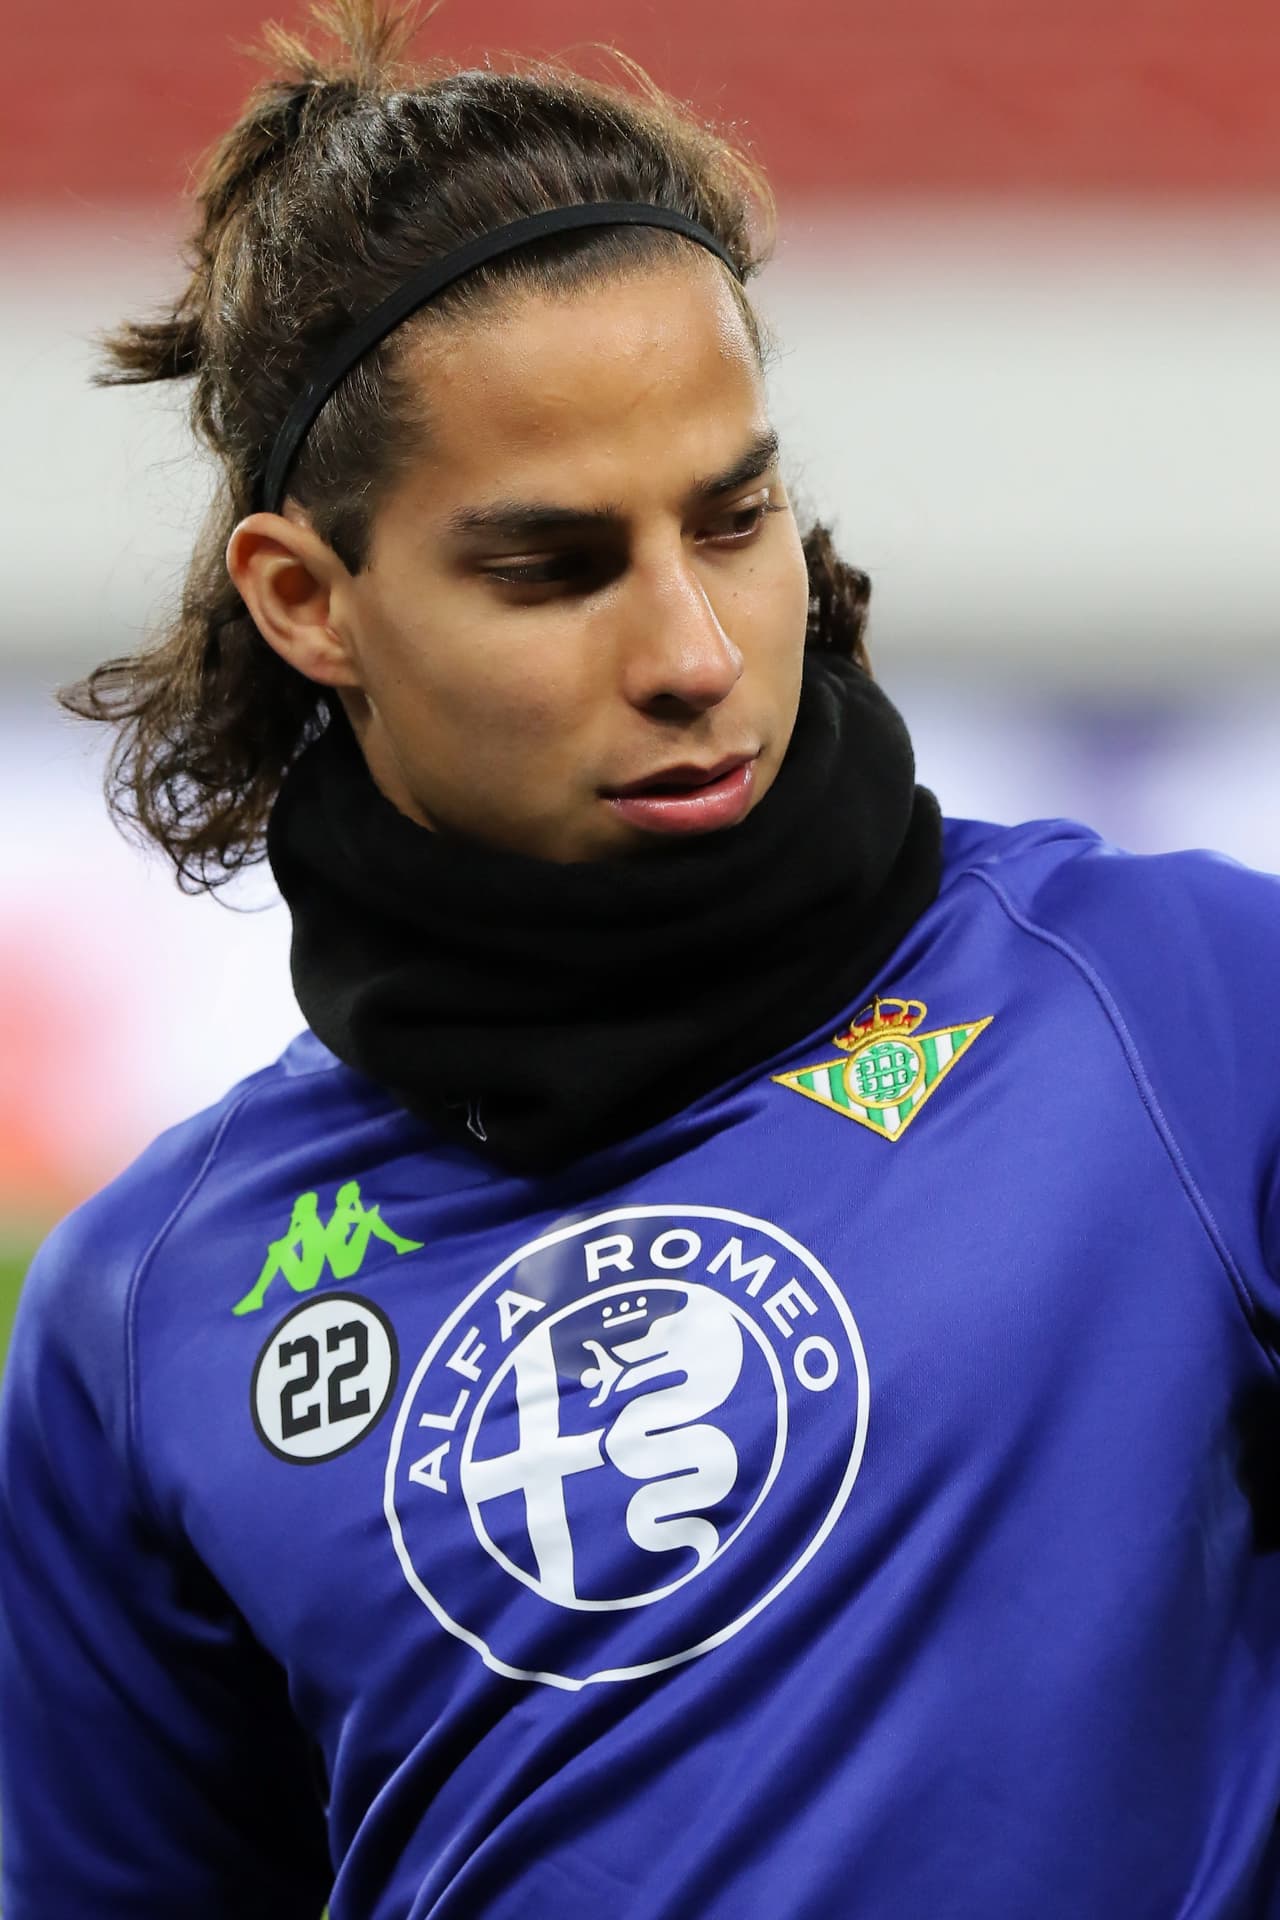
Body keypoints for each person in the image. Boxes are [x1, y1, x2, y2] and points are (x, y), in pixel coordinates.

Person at [3, 3, 1280, 1915]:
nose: (693, 649)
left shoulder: (1187, 1008)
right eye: (555, 567)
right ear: (308, 600)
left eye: (735, 518)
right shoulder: (146, 1310)